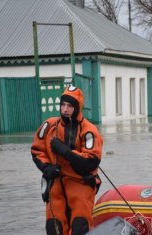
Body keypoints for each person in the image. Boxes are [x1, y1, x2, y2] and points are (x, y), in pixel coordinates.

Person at [31, 85, 103, 235]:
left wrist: (64, 151)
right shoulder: (49, 125)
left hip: (80, 182)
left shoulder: (89, 130)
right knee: (54, 227)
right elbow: (37, 150)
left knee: (80, 225)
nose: (65, 109)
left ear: (78, 107)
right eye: (62, 105)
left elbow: (91, 161)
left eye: (70, 106)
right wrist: (47, 168)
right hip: (55, 182)